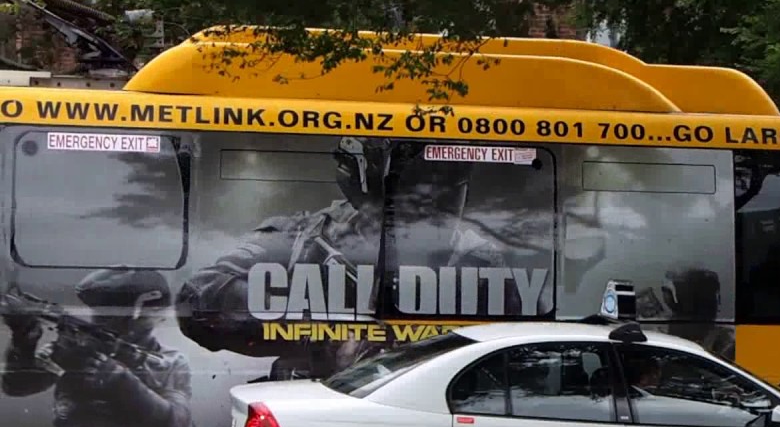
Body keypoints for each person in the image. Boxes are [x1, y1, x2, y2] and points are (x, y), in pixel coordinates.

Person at [175, 136, 536, 380]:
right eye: (417, 198)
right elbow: (198, 299)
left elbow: (511, 356)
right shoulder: (308, 236)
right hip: (317, 407)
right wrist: (319, 330)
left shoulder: (479, 261)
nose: (432, 212)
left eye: (447, 191)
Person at [1, 267, 192, 427]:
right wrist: (24, 340)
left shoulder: (170, 362)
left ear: (146, 315)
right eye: (97, 311)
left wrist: (119, 380)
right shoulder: (78, 347)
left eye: (110, 313)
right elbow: (17, 387)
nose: (97, 320)